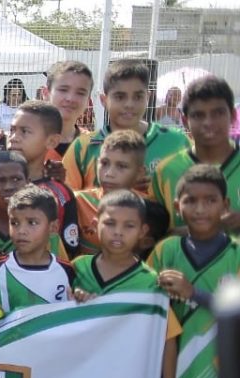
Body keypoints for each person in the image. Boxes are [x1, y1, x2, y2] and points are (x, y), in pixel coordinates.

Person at [72, 190, 178, 378]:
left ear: (143, 231)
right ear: (95, 224)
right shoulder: (76, 269)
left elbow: (167, 337)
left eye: (128, 226)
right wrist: (74, 302)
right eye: (110, 224)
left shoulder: (150, 282)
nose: (117, 232)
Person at [150, 165, 238, 378]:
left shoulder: (236, 254)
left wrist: (194, 294)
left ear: (225, 205)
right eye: (191, 200)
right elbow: (140, 297)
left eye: (210, 200)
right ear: (178, 206)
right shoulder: (165, 251)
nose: (200, 209)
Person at [64, 60, 191, 192]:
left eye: (137, 97)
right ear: (104, 100)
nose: (129, 104)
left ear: (148, 97)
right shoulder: (83, 147)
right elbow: (66, 201)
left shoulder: (176, 142)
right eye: (120, 97)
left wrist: (155, 189)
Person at [152, 76, 239, 232]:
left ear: (232, 116)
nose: (208, 122)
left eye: (218, 113)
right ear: (185, 121)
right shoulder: (166, 170)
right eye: (198, 115)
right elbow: (150, 234)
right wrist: (199, 230)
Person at [75, 130, 171, 257]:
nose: (109, 173)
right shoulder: (78, 201)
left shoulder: (147, 208)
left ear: (140, 173)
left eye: (121, 166)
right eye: (104, 163)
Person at [0, 186, 76, 312]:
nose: (21, 231)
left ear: (53, 227)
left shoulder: (67, 271)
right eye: (14, 223)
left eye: (32, 223)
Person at [7, 100, 79, 257]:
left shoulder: (61, 193)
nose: (14, 137)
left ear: (52, 141)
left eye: (24, 131)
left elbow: (70, 249)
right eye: (12, 130)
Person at [0, 151, 66, 259]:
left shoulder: (45, 231)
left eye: (16, 179)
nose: (8, 187)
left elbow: (60, 270)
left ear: (28, 184)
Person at [42, 61, 94, 156]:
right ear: (46, 93)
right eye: (63, 90)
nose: (70, 98)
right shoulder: (26, 143)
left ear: (88, 101)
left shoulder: (95, 148)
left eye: (80, 93)